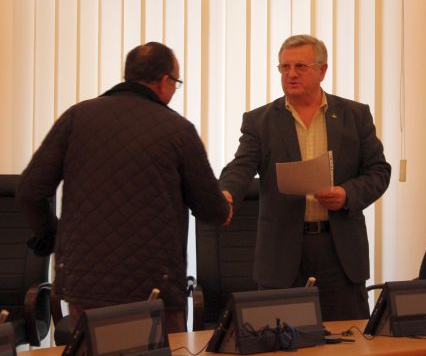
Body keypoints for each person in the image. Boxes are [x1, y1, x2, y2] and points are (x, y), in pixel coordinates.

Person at [17, 41, 232, 333]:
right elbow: (210, 210)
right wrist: (225, 207)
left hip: (85, 280)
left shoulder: (76, 117)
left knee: (91, 348)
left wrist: (53, 236)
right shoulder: (177, 130)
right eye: (176, 82)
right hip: (155, 285)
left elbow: (30, 190)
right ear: (165, 81)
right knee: (159, 350)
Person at [220, 34, 391, 321]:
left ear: (322, 70)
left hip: (339, 250)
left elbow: (378, 171)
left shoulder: (355, 115)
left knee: (347, 336)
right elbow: (241, 167)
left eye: (300, 66)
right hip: (282, 251)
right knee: (280, 336)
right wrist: (226, 194)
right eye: (284, 67)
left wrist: (347, 194)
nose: (291, 74)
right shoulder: (260, 121)